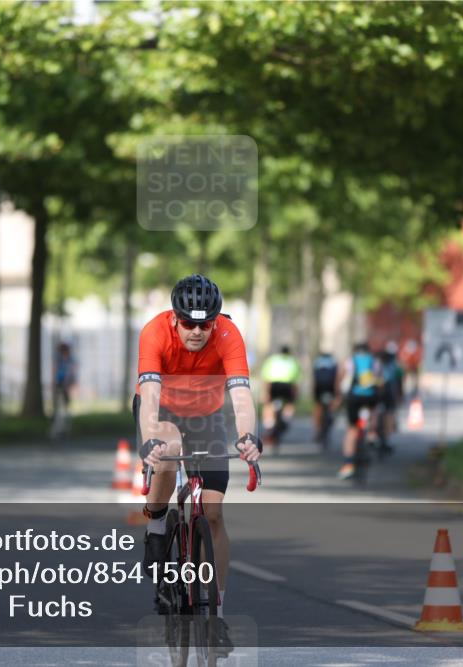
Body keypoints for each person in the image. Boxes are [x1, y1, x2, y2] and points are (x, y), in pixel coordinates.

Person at [136, 274, 262, 655]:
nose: (196, 331)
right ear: (175, 318)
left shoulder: (228, 335)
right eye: (188, 323)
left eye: (204, 323)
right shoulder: (155, 332)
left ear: (215, 320)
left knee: (214, 511)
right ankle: (158, 523)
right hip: (163, 413)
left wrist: (247, 436)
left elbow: (240, 396)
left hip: (207, 417)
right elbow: (151, 394)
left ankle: (216, 614)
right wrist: (149, 439)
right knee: (169, 447)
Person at [338, 341, 382, 480]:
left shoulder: (350, 361)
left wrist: (339, 397)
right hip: (370, 397)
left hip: (354, 398)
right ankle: (372, 433)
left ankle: (348, 464)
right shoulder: (374, 361)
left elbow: (340, 379)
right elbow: (380, 380)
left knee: (352, 429)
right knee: (374, 412)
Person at [259, 345, 302, 450]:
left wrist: (265, 393)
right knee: (289, 404)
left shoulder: (272, 360)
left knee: (268, 405)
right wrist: (295, 396)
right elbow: (296, 381)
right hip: (287, 386)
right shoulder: (293, 361)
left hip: (274, 385)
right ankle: (286, 419)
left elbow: (266, 378)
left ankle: (269, 425)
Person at [376, 341, 403, 452]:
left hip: (377, 391)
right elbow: (399, 382)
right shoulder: (396, 365)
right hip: (389, 391)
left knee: (375, 412)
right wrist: (400, 396)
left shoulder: (377, 363)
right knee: (389, 413)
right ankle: (387, 438)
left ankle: (372, 435)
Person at [312, 351, 343, 445]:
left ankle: (317, 430)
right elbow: (338, 377)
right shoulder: (334, 362)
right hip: (330, 387)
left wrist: (313, 391)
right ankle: (331, 416)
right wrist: (338, 393)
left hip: (319, 387)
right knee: (331, 406)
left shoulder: (317, 362)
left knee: (318, 407)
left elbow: (314, 378)